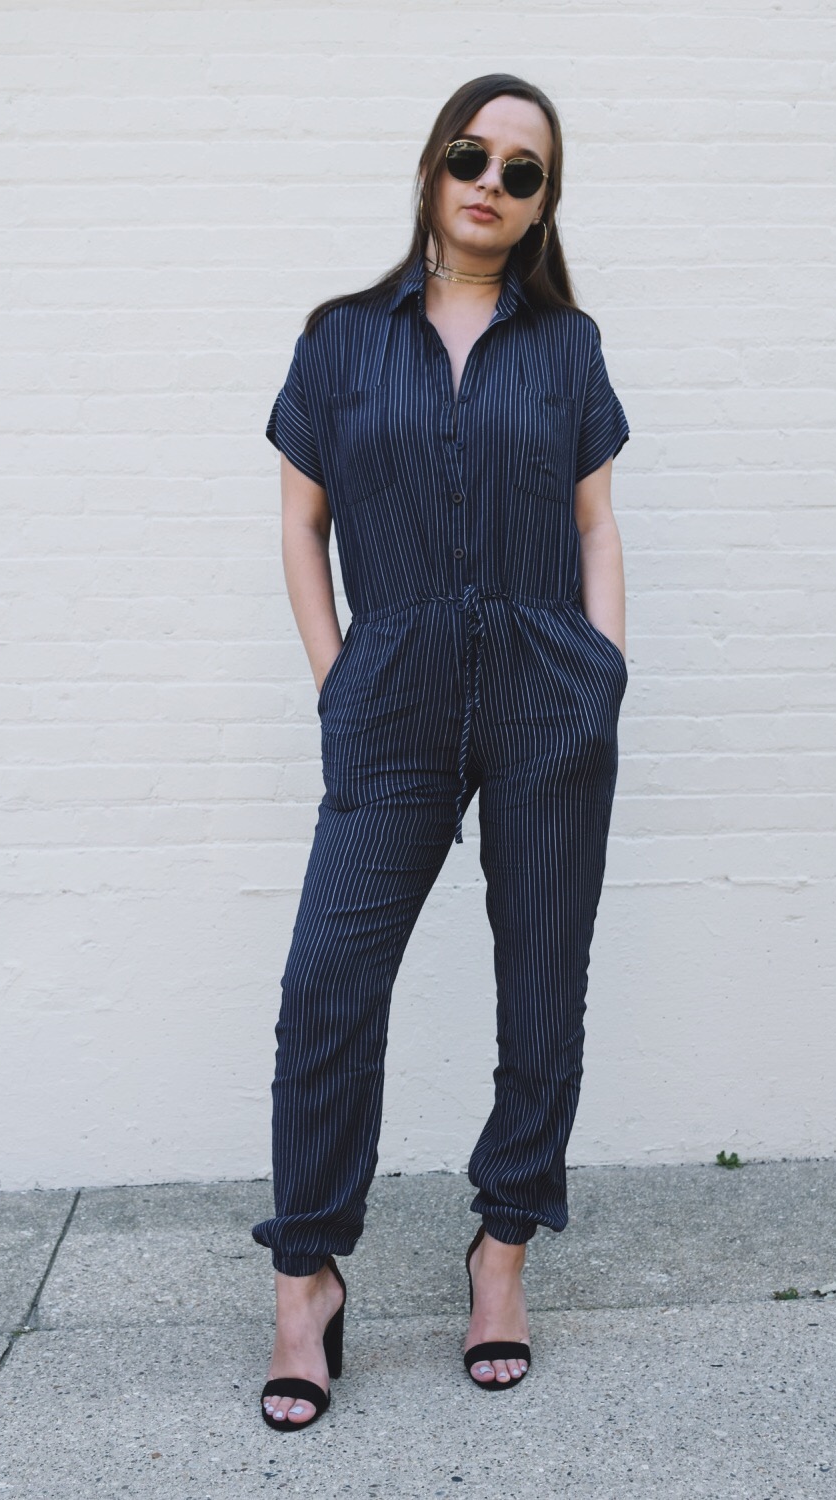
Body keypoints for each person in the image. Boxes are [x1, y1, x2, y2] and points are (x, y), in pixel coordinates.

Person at [254, 73, 630, 1430]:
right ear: (432, 166)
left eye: (523, 171)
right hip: (394, 697)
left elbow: (595, 522)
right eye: (473, 155)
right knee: (327, 989)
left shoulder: (567, 347)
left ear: (541, 208)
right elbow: (301, 525)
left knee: (542, 992)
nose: (491, 182)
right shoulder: (341, 339)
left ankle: (502, 1257)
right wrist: (338, 678)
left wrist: (602, 674)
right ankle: (307, 1282)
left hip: (544, 696)